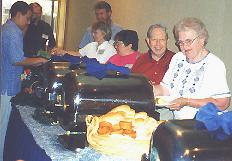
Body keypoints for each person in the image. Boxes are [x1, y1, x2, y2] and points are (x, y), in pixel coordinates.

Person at [154, 17, 231, 119]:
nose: (185, 46)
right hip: (181, 124)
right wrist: (146, 89)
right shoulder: (178, 58)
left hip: (206, 126)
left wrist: (187, 102)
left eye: (189, 41)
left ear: (202, 39)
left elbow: (223, 103)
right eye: (181, 42)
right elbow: (164, 90)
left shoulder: (214, 64)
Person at [0, 2, 48, 160]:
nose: (29, 22)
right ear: (18, 15)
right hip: (7, 86)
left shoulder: (7, 28)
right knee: (2, 128)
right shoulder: (12, 31)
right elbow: (16, 60)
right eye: (27, 18)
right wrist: (38, 60)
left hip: (6, 83)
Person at [52, 21, 116, 64]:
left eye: (95, 33)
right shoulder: (91, 45)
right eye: (93, 32)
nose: (93, 35)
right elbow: (77, 54)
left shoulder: (110, 49)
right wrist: (62, 52)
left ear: (104, 34)